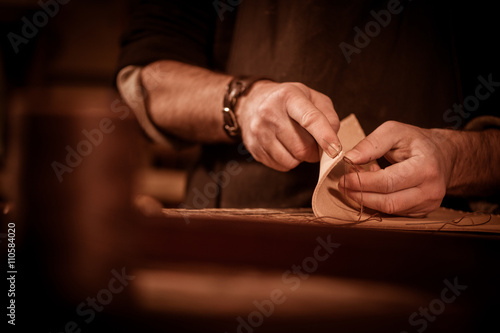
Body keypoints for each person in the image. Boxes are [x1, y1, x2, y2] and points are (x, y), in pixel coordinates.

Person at [116, 0, 499, 216]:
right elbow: (147, 81)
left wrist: (456, 158)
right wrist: (243, 102)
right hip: (239, 242)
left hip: (434, 254)